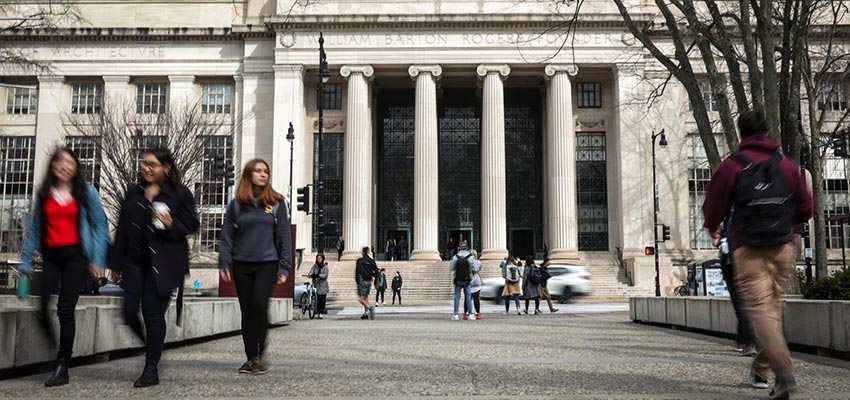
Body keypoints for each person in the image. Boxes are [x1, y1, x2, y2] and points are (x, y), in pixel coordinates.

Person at [703, 108, 813, 398]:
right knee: (773, 309)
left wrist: (713, 228)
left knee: (761, 310)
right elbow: (806, 208)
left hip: (748, 247)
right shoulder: (787, 166)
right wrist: (789, 224)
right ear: (767, 131)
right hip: (782, 245)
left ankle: (785, 373)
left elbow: (713, 207)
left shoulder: (732, 166)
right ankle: (762, 369)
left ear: (741, 133)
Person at [15, 147, 109, 387]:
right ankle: (53, 346)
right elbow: (35, 230)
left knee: (65, 309)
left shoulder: (87, 192)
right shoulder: (44, 194)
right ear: (53, 166)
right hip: (51, 257)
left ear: (76, 167)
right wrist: (25, 260)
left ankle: (62, 364)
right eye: (60, 162)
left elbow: (100, 225)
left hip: (76, 257)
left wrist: (98, 259)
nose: (64, 166)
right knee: (42, 304)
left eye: (69, 162)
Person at [109, 147, 199, 388]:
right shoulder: (134, 192)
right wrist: (115, 263)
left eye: (152, 164)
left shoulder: (179, 194)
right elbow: (122, 230)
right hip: (135, 262)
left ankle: (151, 367)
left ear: (166, 167)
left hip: (165, 264)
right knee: (128, 312)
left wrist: (172, 224)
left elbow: (191, 225)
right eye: (144, 164)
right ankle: (150, 346)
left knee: (153, 314)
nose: (146, 168)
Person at [218, 158, 292, 374]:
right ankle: (251, 357)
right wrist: (224, 261)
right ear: (249, 174)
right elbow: (227, 236)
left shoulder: (276, 203)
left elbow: (283, 236)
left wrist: (284, 267)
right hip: (242, 263)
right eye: (258, 171)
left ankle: (260, 352)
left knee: (260, 305)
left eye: (266, 171)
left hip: (267, 263)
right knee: (247, 311)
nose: (263, 174)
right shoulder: (237, 205)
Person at [719, 218, 756, 357]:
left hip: (735, 255)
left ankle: (748, 341)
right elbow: (805, 207)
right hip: (767, 250)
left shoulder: (730, 202)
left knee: (740, 302)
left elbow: (711, 218)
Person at [450, 242, 480, 320]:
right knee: (468, 296)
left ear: (459, 248)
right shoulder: (471, 257)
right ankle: (470, 314)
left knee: (457, 296)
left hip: (458, 279)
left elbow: (452, 268)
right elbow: (476, 269)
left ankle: (456, 314)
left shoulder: (455, 257)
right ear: (467, 248)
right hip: (467, 279)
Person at [355, 246, 379, 319]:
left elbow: (357, 271)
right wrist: (373, 276)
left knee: (360, 298)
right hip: (369, 280)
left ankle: (369, 308)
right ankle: (365, 313)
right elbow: (377, 272)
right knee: (366, 298)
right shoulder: (371, 261)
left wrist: (357, 280)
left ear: (363, 252)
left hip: (362, 280)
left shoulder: (359, 261)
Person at [309, 254, 329, 319]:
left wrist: (318, 275)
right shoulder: (314, 266)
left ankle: (320, 312)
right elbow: (310, 272)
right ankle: (317, 311)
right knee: (316, 299)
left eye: (320, 258)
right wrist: (311, 275)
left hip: (323, 285)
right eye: (318, 258)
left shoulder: (325, 267)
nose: (319, 259)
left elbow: (325, 275)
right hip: (316, 285)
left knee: (322, 299)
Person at [467, 249, 482, 320]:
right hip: (477, 282)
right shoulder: (479, 262)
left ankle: (466, 313)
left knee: (468, 299)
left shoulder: (467, 262)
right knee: (476, 299)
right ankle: (478, 313)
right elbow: (479, 270)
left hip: (469, 281)